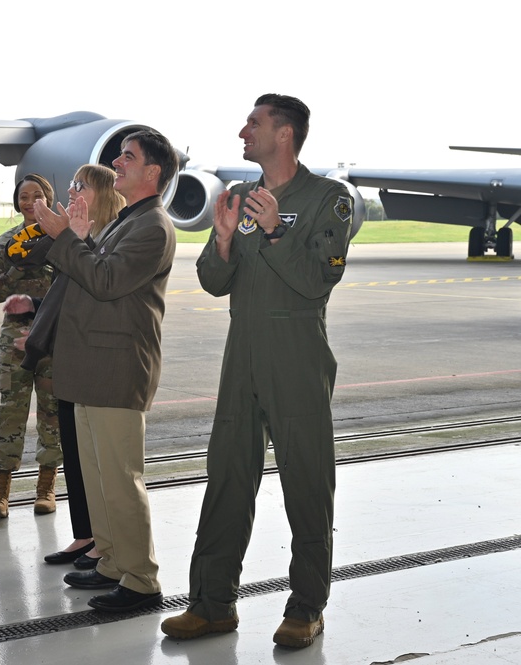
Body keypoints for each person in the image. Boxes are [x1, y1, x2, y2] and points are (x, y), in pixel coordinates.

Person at [160, 94, 352, 648]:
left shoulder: (328, 199)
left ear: (285, 134)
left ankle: (306, 607)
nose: (243, 130)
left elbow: (319, 278)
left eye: (255, 123)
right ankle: (211, 603)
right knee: (227, 478)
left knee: (307, 484)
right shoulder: (239, 197)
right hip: (240, 353)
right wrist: (222, 240)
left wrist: (274, 233)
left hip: (296, 353)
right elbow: (214, 281)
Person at [34, 130, 179, 613]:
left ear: (152, 172)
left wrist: (65, 240)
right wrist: (75, 238)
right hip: (94, 365)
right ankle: (114, 561)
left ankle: (141, 580)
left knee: (120, 480)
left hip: (117, 369)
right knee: (98, 479)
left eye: (128, 157)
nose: (117, 162)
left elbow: (105, 280)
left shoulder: (153, 226)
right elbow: (90, 270)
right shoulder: (127, 222)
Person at [5, 165, 126, 569]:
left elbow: (99, 289)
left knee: (97, 459)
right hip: (71, 354)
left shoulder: (111, 235)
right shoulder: (80, 236)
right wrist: (38, 315)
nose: (72, 191)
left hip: (96, 359)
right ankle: (86, 535)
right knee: (76, 454)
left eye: (81, 186)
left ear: (103, 195)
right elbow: (65, 293)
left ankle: (106, 544)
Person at [0, 174, 61, 519]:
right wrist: (16, 269)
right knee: (11, 410)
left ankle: (46, 488)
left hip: (53, 336)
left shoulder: (62, 241)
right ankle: (0, 494)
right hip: (14, 337)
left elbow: (72, 290)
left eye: (37, 195)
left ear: (48, 198)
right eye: (24, 196)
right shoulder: (5, 243)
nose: (30, 201)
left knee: (51, 411)